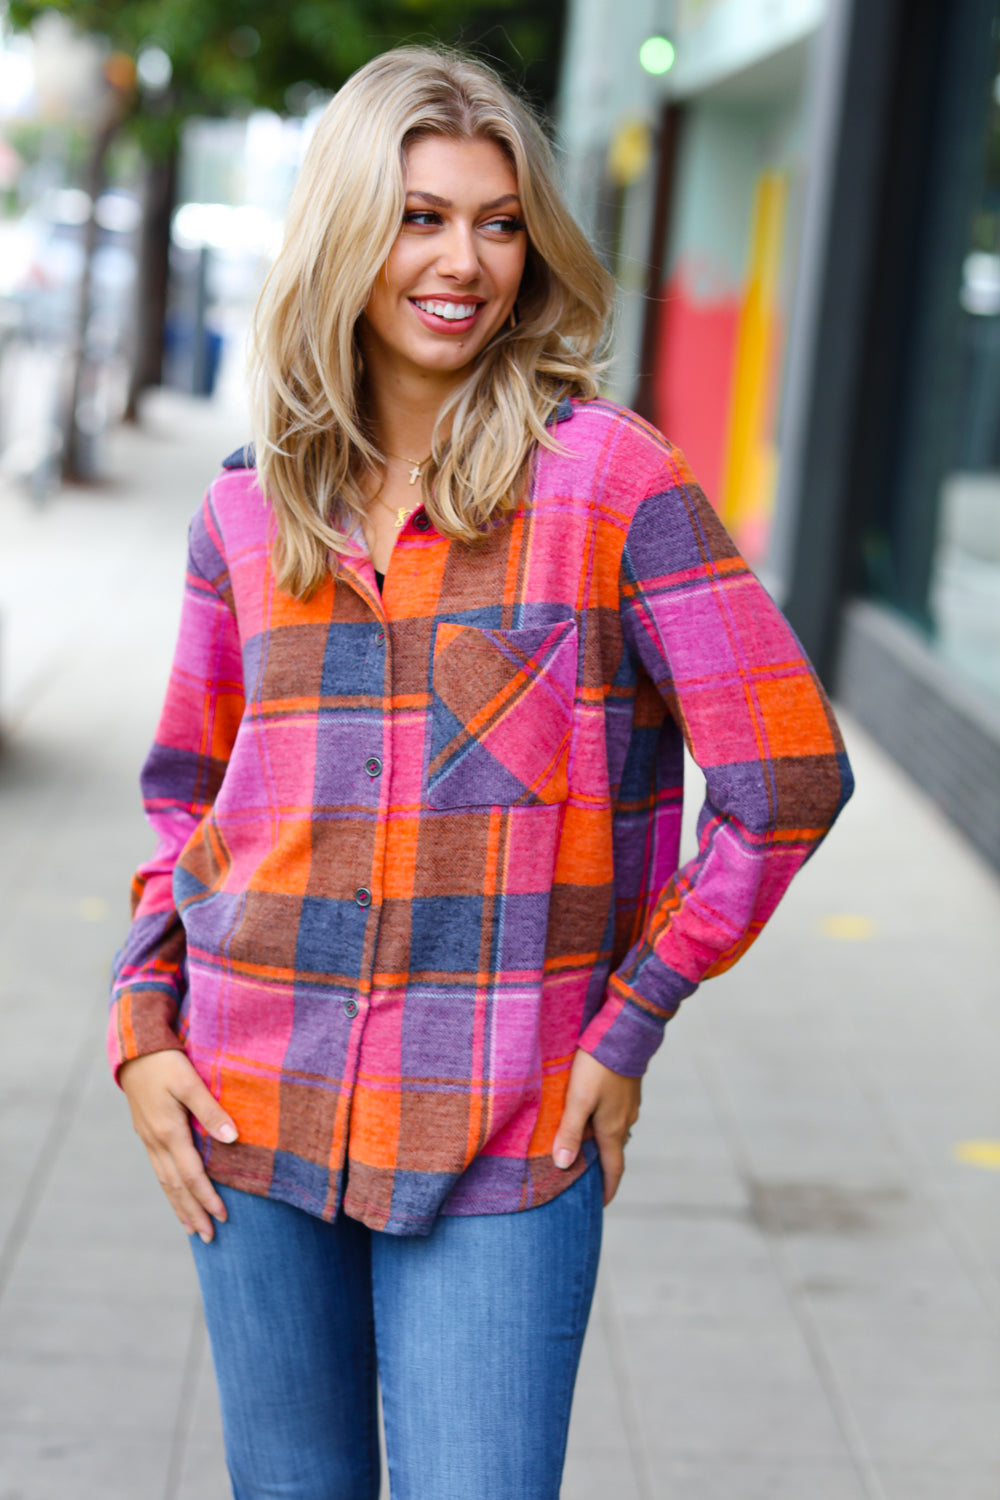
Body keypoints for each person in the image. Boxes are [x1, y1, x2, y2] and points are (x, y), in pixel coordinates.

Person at [110, 45, 853, 1500]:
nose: (465, 261)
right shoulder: (247, 518)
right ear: (343, 237)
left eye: (499, 222)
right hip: (248, 1106)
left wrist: (628, 1023)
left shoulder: (611, 486)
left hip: (503, 1131)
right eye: (421, 217)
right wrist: (143, 1025)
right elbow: (185, 794)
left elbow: (788, 775)